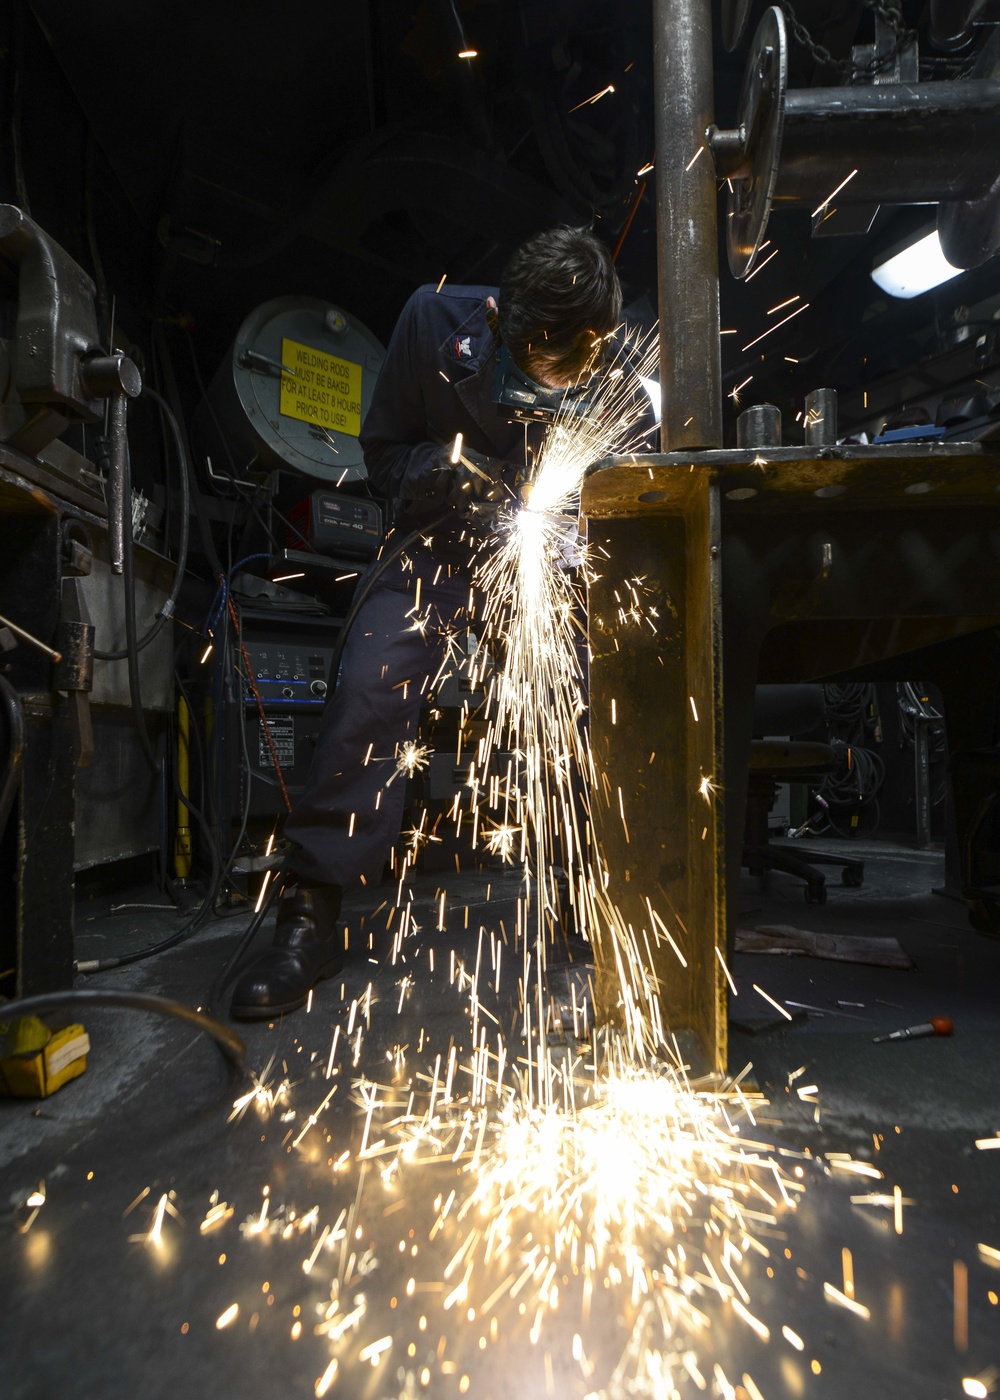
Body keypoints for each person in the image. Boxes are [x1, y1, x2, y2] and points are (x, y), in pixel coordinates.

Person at [229, 225, 623, 1019]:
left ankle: (588, 891)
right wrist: (438, 473)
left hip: (538, 555)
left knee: (579, 695)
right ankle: (311, 910)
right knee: (371, 682)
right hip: (434, 544)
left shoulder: (598, 354)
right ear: (505, 324)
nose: (560, 380)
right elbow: (381, 456)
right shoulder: (428, 324)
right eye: (542, 367)